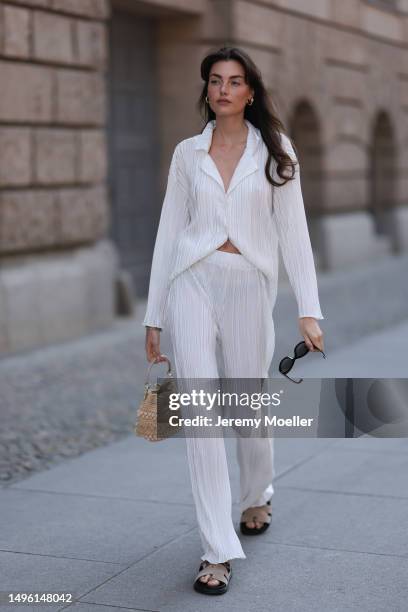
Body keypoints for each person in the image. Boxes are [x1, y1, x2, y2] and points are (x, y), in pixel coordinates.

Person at [143, 46, 325, 595]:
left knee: (248, 406)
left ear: (250, 91)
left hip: (250, 285)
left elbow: (295, 234)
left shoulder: (276, 151)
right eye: (216, 80)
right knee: (198, 414)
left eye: (235, 81)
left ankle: (254, 495)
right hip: (192, 282)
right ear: (207, 90)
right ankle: (217, 549)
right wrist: (154, 315)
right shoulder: (186, 154)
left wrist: (309, 310)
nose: (224, 89)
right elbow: (168, 234)